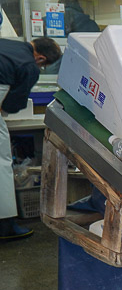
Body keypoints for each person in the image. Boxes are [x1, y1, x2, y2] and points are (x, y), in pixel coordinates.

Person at [0, 37, 61, 241]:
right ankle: (5, 225)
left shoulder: (6, 44)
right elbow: (12, 104)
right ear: (41, 58)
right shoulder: (29, 65)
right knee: (2, 160)